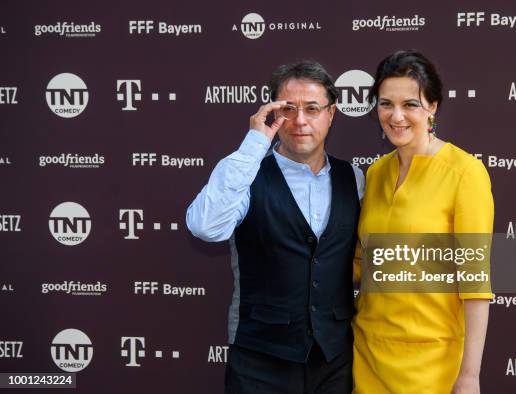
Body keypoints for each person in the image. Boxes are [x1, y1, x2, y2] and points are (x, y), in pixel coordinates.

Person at [186, 60, 364, 394]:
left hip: (334, 361)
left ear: (332, 114)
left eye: (312, 108)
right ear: (271, 113)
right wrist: (255, 142)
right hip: (260, 361)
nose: (300, 121)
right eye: (288, 109)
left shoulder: (353, 178)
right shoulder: (247, 173)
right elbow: (206, 227)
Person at [352, 50, 494, 394]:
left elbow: (474, 282)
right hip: (366, 356)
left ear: (433, 107)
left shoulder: (464, 173)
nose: (396, 116)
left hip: (432, 363)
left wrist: (469, 376)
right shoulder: (376, 172)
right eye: (386, 104)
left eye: (410, 104)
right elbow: (360, 263)